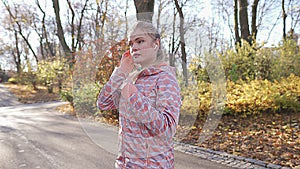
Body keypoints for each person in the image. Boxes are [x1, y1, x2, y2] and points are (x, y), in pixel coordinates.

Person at [97, 21, 181, 169]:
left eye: (140, 41)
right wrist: (121, 71)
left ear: (156, 44)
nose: (134, 47)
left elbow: (168, 129)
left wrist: (133, 96)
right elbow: (103, 103)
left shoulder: (165, 78)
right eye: (131, 43)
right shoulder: (130, 78)